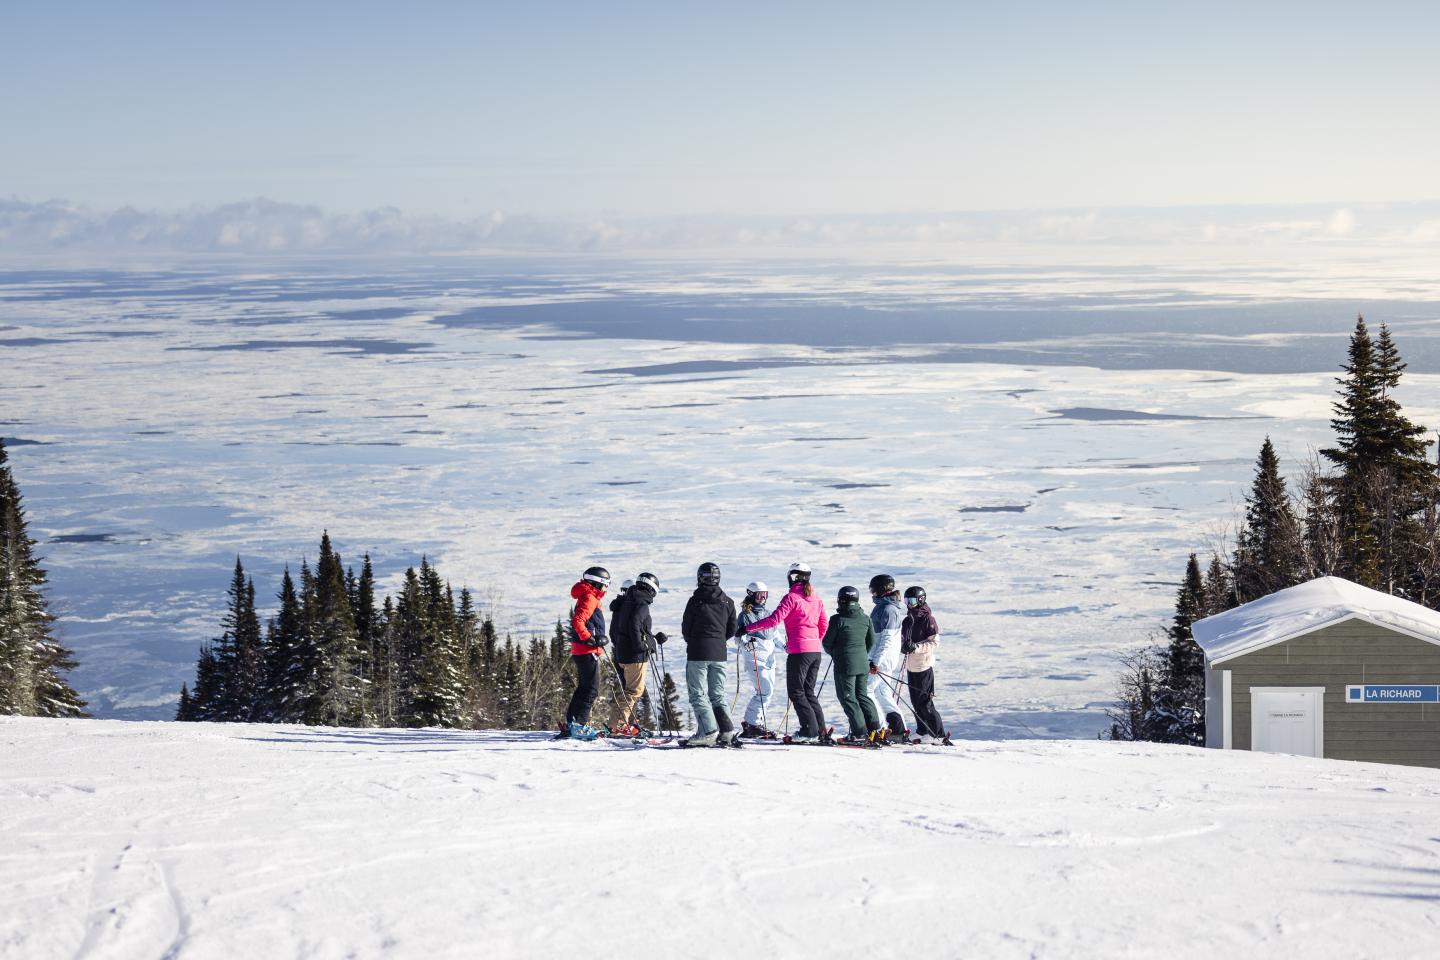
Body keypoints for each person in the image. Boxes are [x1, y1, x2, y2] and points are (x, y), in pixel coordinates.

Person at [738, 562, 828, 743]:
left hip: (799, 651)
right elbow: (824, 623)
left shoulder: (791, 597)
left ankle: (808, 731)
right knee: (808, 691)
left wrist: (748, 629)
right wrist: (813, 641)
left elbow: (773, 620)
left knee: (796, 692)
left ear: (793, 577)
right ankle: (820, 730)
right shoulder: (817, 598)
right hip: (815, 651)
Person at [681, 562, 739, 747]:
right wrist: (718, 641)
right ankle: (727, 731)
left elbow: (686, 628)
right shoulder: (728, 601)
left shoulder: (695, 601)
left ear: (700, 578)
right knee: (718, 694)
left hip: (698, 650)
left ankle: (708, 731)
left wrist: (695, 640)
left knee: (698, 693)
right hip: (720, 652)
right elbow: (732, 629)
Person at [822, 585, 881, 744]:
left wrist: (837, 654)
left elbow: (827, 643)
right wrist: (862, 656)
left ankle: (859, 733)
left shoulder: (837, 619)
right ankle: (875, 730)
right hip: (862, 664)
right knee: (862, 695)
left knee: (848, 698)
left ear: (841, 600)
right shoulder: (865, 618)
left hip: (845, 665)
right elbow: (871, 641)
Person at [562, 565, 611, 740]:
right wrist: (590, 638)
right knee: (591, 689)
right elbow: (578, 620)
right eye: (606, 584)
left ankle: (572, 724)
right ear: (598, 583)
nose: (606, 589)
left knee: (584, 688)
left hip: (582, 648)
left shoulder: (587, 595)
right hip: (586, 649)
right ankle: (579, 726)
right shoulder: (590, 597)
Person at [608, 572, 659, 737]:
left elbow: (623, 629)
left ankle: (623, 725)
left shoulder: (627, 602)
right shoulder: (641, 604)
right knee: (633, 691)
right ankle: (618, 726)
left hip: (623, 653)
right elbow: (635, 625)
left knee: (629, 691)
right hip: (635, 655)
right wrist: (644, 645)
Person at [737, 581, 784, 739]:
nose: (762, 598)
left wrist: (786, 646)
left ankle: (756, 723)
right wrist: (746, 645)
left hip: (770, 659)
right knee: (765, 691)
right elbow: (739, 637)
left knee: (767, 692)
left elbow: (775, 635)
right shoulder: (745, 615)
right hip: (755, 658)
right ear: (751, 595)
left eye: (765, 595)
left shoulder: (769, 614)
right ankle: (751, 723)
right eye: (759, 595)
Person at [901, 585, 946, 744]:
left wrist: (916, 647)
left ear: (921, 600)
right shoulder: (907, 620)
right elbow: (905, 640)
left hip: (923, 666)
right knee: (915, 701)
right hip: (911, 666)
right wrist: (904, 646)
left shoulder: (928, 619)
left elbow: (935, 643)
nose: (908, 604)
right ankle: (923, 730)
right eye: (906, 600)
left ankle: (938, 734)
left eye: (911, 600)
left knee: (925, 702)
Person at [867, 574, 907, 739]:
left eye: (873, 590)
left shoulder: (887, 609)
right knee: (883, 693)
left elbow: (887, 639)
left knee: (866, 690)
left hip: (882, 659)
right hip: (885, 658)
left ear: (879, 590)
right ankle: (899, 729)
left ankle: (882, 728)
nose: (872, 594)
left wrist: (875, 661)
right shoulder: (887, 607)